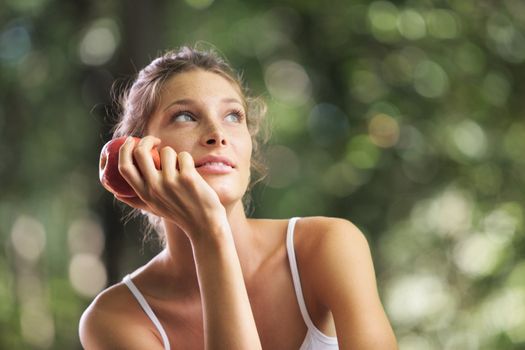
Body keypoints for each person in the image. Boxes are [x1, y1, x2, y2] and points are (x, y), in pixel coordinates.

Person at [79, 45, 397, 350]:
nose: (217, 134)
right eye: (185, 116)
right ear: (138, 156)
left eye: (233, 116)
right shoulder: (114, 320)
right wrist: (210, 235)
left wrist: (209, 232)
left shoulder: (328, 245)